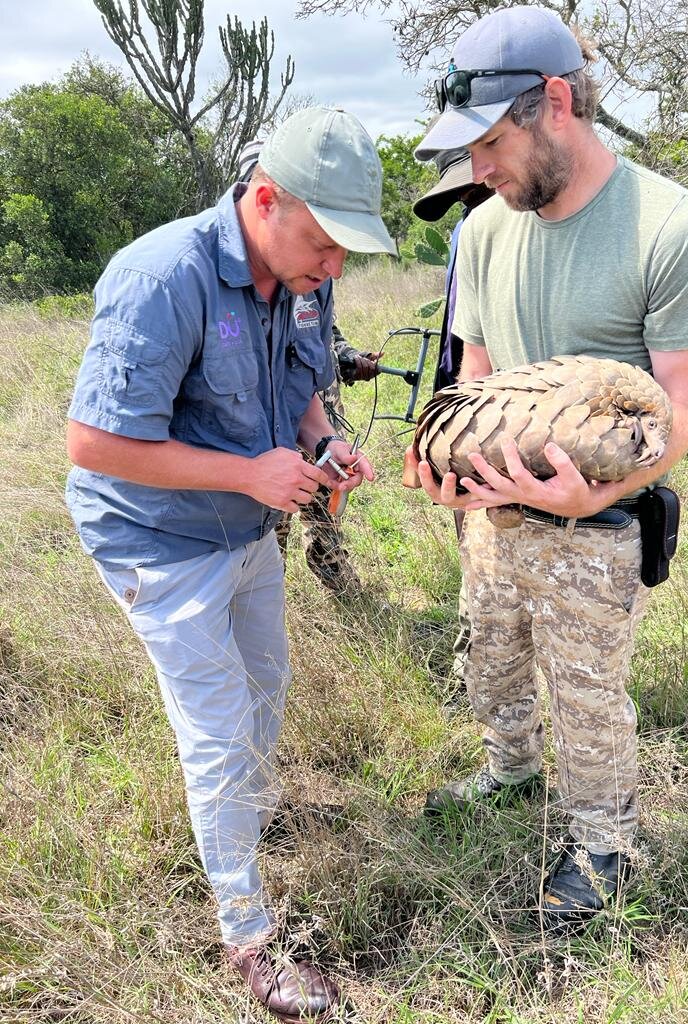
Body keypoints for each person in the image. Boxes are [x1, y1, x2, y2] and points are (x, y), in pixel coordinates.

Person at [65, 106, 396, 1021]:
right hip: (158, 540)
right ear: (264, 199)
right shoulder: (160, 278)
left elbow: (303, 387)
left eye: (346, 251)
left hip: (249, 528)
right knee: (216, 725)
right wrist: (249, 472)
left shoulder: (303, 276)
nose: (335, 267)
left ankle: (244, 812)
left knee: (268, 687)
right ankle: (248, 937)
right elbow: (94, 443)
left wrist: (324, 444)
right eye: (325, 242)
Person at [408, 6, 688, 931]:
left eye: (491, 144)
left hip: (597, 526)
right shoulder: (481, 232)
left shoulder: (672, 230)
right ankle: (508, 772)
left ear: (556, 102)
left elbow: (686, 407)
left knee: (585, 694)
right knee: (491, 658)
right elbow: (472, 374)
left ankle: (602, 841)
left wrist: (595, 489)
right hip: (490, 519)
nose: (478, 170)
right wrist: (454, 468)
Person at [238, 141, 382, 597]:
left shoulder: (311, 277)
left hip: (314, 405)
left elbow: (325, 334)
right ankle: (267, 582)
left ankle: (330, 564)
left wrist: (348, 358)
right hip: (262, 432)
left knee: (324, 500)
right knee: (271, 515)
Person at [413, 146, 491, 714]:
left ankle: (480, 676)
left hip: (501, 425)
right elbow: (456, 347)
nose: (468, 202)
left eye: (473, 188)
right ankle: (475, 675)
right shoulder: (471, 231)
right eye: (460, 195)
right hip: (464, 408)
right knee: (473, 553)